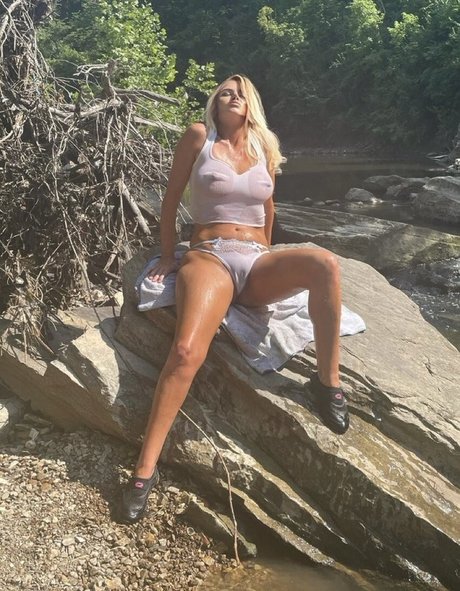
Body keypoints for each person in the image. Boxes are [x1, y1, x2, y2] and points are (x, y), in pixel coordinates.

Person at [118, 75, 349, 525]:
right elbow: (170, 200)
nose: (232, 96)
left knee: (325, 264)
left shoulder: (264, 144)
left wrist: (269, 255)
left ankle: (327, 383)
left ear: (251, 104)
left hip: (257, 260)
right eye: (225, 91)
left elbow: (269, 207)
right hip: (211, 257)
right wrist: (167, 255)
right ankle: (144, 471)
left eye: (240, 92)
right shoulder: (198, 137)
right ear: (215, 102)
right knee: (186, 351)